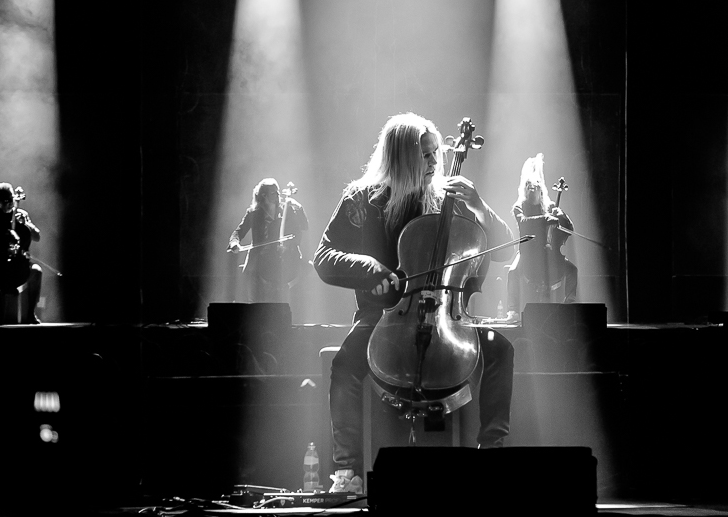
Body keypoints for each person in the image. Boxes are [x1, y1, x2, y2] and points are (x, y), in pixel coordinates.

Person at [313, 113, 516, 494]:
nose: (435, 161)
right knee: (344, 366)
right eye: (425, 155)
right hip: (385, 318)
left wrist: (480, 207)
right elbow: (324, 257)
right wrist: (367, 269)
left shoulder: (448, 199)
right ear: (402, 157)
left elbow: (504, 248)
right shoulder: (362, 199)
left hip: (448, 317)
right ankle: (347, 472)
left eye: (437, 152)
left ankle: (492, 455)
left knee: (500, 350)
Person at [505, 154, 577, 319]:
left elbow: (569, 228)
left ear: (540, 188)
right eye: (528, 185)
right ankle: (513, 311)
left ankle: (570, 304)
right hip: (528, 252)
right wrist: (545, 219)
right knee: (513, 272)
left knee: (572, 270)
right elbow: (523, 222)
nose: (532, 188)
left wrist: (561, 215)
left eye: (535, 185)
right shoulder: (519, 206)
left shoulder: (549, 206)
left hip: (550, 253)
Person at [227, 178, 309, 303]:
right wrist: (234, 243)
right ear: (263, 195)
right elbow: (239, 231)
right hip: (258, 257)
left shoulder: (286, 210)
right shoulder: (253, 213)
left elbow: (301, 228)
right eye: (273, 193)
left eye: (278, 192)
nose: (277, 195)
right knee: (249, 287)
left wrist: (298, 207)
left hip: (280, 258)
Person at [0, 182, 42, 324]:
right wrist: (8, 232)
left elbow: (37, 237)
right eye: (4, 202)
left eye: (10, 200)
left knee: (37, 271)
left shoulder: (21, 214)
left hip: (18, 268)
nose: (8, 204)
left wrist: (26, 224)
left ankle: (31, 314)